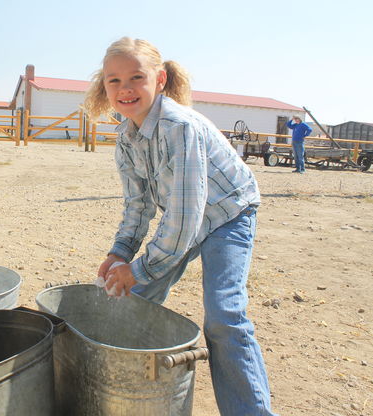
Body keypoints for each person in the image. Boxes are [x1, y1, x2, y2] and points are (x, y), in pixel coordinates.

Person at [84, 37, 277, 415]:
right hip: (184, 217)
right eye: (114, 81)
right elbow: (138, 206)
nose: (125, 89)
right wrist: (119, 253)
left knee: (224, 316)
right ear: (104, 87)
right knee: (128, 297)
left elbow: (186, 220)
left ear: (160, 79)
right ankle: (123, 396)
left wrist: (136, 269)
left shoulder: (180, 127)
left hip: (227, 213)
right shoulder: (126, 138)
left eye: (136, 77)